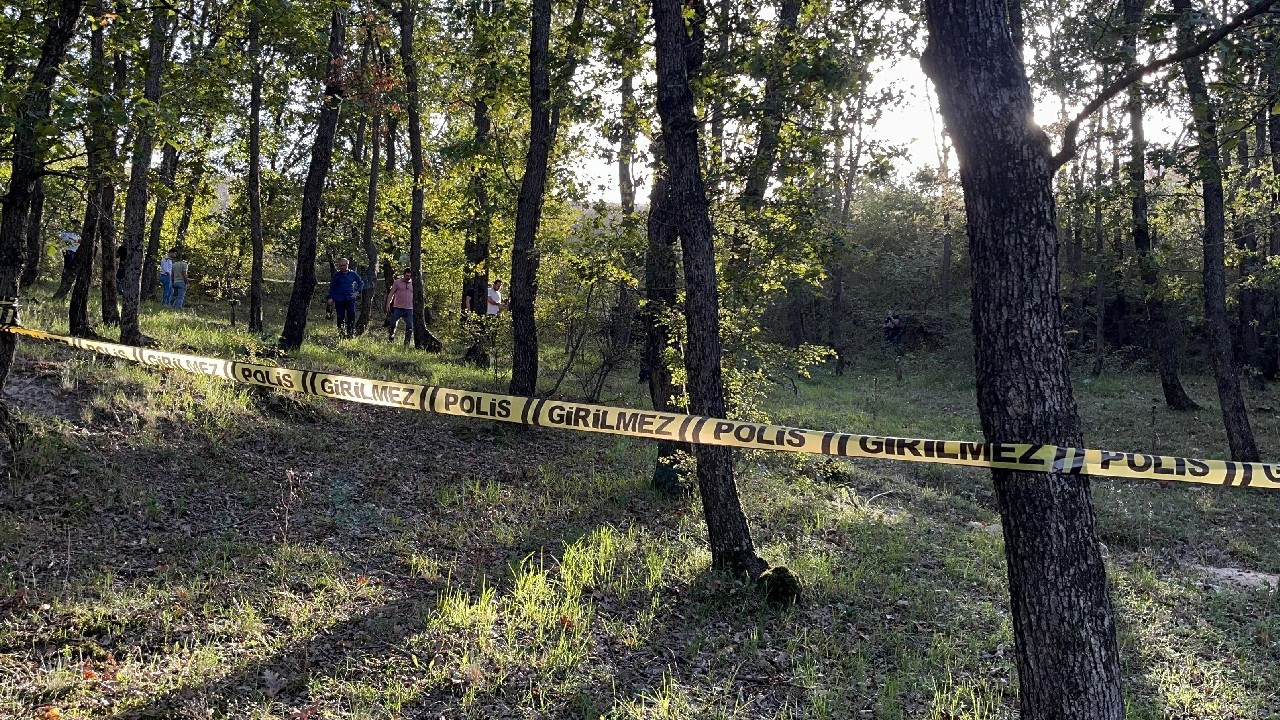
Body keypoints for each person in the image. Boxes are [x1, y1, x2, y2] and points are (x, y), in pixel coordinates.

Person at [326, 257, 364, 337]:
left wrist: (357, 292)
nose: (342, 267)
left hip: (350, 298)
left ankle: (350, 333)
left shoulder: (353, 274)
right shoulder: (336, 275)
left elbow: (361, 283)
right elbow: (332, 287)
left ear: (347, 265)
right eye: (340, 266)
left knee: (351, 314)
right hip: (339, 298)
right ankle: (341, 333)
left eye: (343, 265)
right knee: (340, 316)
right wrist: (330, 297)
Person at [385, 267, 414, 346]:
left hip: (409, 309)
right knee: (393, 325)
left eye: (409, 276)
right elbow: (391, 293)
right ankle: (391, 340)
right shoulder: (397, 282)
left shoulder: (414, 283)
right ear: (404, 275)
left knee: (410, 326)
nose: (408, 277)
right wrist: (388, 304)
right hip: (397, 307)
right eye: (407, 276)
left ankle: (406, 344)